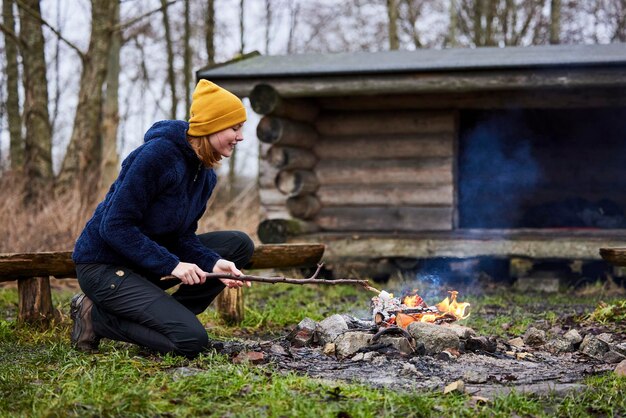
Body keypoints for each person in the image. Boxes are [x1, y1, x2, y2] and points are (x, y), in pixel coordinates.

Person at [70, 80, 254, 358]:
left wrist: (213, 263)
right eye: (235, 128)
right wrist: (172, 264)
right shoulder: (156, 156)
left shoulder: (204, 175)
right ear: (211, 126)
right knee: (191, 342)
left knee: (238, 244)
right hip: (105, 267)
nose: (240, 137)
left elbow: (181, 238)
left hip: (144, 265)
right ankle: (95, 316)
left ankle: (172, 319)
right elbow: (114, 226)